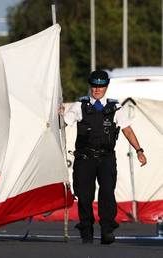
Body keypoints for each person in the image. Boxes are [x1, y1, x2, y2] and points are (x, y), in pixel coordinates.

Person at [61, 70, 147, 244]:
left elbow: (127, 130)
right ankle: (86, 229)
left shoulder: (115, 107)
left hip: (106, 158)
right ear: (90, 86)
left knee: (107, 193)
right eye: (94, 86)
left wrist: (139, 150)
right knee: (84, 196)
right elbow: (63, 124)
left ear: (106, 87)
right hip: (85, 158)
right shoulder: (80, 106)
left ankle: (107, 229)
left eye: (100, 86)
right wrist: (58, 115)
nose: (96, 90)